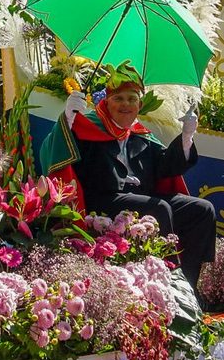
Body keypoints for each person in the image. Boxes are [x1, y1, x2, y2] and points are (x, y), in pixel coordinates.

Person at [59, 61, 216, 286]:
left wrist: (186, 137)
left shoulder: (140, 135)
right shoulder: (88, 128)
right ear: (106, 102)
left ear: (139, 105)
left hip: (140, 199)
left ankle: (190, 283)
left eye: (132, 99)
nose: (126, 104)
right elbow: (61, 154)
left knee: (201, 209)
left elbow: (166, 167)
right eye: (119, 98)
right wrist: (68, 120)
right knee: (158, 207)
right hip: (104, 200)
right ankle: (168, 282)